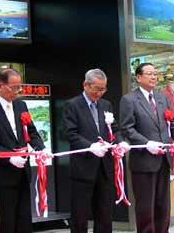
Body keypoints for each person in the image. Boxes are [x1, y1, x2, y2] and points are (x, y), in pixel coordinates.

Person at [0, 68, 49, 233]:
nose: (18, 91)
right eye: (14, 87)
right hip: (2, 173)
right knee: (6, 219)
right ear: (0, 86)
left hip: (23, 170)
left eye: (19, 87)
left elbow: (31, 131)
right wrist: (9, 157)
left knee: (24, 217)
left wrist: (41, 149)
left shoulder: (21, 105)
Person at [120, 62, 174, 233]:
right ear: (138, 77)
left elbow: (171, 122)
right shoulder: (129, 100)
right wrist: (146, 143)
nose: (153, 77)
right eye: (149, 74)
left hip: (163, 159)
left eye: (155, 73)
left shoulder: (161, 97)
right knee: (146, 205)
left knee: (163, 204)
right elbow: (127, 128)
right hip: (143, 161)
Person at [63, 69, 130, 233]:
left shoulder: (106, 105)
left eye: (103, 89)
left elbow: (113, 129)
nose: (100, 93)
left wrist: (120, 142)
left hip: (104, 167)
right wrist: (90, 146)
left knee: (105, 214)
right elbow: (70, 133)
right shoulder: (72, 105)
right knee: (80, 214)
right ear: (85, 85)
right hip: (82, 168)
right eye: (97, 89)